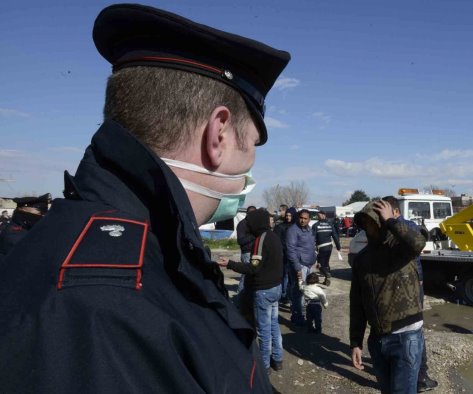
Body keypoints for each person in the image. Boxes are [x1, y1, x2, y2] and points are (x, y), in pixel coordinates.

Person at [0, 4, 290, 392]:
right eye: (252, 144)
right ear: (218, 134)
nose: (251, 166)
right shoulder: (109, 305)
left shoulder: (131, 245)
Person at [350, 200, 426, 393]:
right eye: (365, 223)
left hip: (406, 337)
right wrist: (356, 342)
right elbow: (357, 303)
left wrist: (391, 220)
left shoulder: (400, 249)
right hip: (377, 340)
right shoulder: (362, 259)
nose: (369, 227)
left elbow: (418, 242)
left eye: (373, 222)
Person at [217, 209, 284, 373]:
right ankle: (278, 359)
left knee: (263, 331)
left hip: (265, 290)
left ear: (256, 224)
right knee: (274, 325)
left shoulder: (260, 241)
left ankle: (264, 367)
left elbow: (253, 268)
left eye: (250, 223)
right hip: (276, 288)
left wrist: (230, 264)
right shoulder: (273, 236)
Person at [382, 196, 438, 392]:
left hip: (412, 284)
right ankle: (414, 374)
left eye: (386, 211)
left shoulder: (405, 226)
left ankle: (420, 377)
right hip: (398, 287)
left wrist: (391, 222)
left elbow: (416, 244)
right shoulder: (385, 229)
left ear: (395, 211)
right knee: (409, 332)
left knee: (414, 330)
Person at [286, 208, 316, 326]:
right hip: (300, 265)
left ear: (309, 220)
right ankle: (297, 316)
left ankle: (300, 314)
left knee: (305, 291)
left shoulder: (308, 229)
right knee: (298, 292)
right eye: (301, 218)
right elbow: (291, 250)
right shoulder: (293, 230)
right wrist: (297, 268)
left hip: (308, 265)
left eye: (305, 218)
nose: (303, 220)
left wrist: (314, 259)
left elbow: (310, 246)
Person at [0, 194, 51, 259]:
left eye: (44, 214)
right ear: (23, 211)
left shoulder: (28, 228)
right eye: (38, 213)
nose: (41, 216)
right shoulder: (13, 233)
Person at [312, 210, 341, 286]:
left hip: (321, 248)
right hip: (329, 247)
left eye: (319, 215)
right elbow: (335, 236)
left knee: (320, 264)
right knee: (326, 263)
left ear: (324, 215)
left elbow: (312, 238)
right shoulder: (330, 225)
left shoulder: (315, 225)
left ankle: (327, 274)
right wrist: (338, 246)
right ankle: (326, 280)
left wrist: (312, 248)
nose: (318, 217)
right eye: (318, 215)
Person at [274, 207, 295, 304]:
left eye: (290, 215)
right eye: (287, 215)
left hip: (294, 256)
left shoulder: (296, 227)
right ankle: (284, 294)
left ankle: (289, 295)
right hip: (285, 256)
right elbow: (278, 242)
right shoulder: (280, 227)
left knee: (292, 277)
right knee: (285, 276)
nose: (288, 217)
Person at [236, 205, 257, 292]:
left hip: (254, 252)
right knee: (246, 275)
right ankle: (239, 295)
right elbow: (240, 241)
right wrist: (253, 236)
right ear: (247, 214)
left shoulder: (254, 224)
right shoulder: (242, 224)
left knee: (252, 276)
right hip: (247, 253)